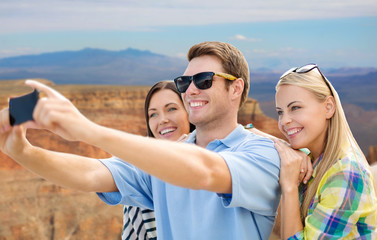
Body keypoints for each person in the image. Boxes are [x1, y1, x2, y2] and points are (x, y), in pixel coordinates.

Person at [0, 41, 282, 239]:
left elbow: (206, 173)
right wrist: (22, 151)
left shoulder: (262, 153)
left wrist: (88, 130)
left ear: (236, 88)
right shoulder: (164, 161)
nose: (191, 90)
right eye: (185, 83)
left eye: (204, 80)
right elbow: (89, 174)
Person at [274, 63, 377, 239]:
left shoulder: (346, 173)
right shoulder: (316, 159)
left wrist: (289, 186)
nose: (284, 121)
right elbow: (248, 132)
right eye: (280, 112)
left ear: (328, 107)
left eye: (295, 108)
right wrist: (280, 144)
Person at [122, 80, 194, 240]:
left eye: (172, 109)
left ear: (190, 112)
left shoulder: (221, 160)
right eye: (153, 114)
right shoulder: (143, 178)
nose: (162, 120)